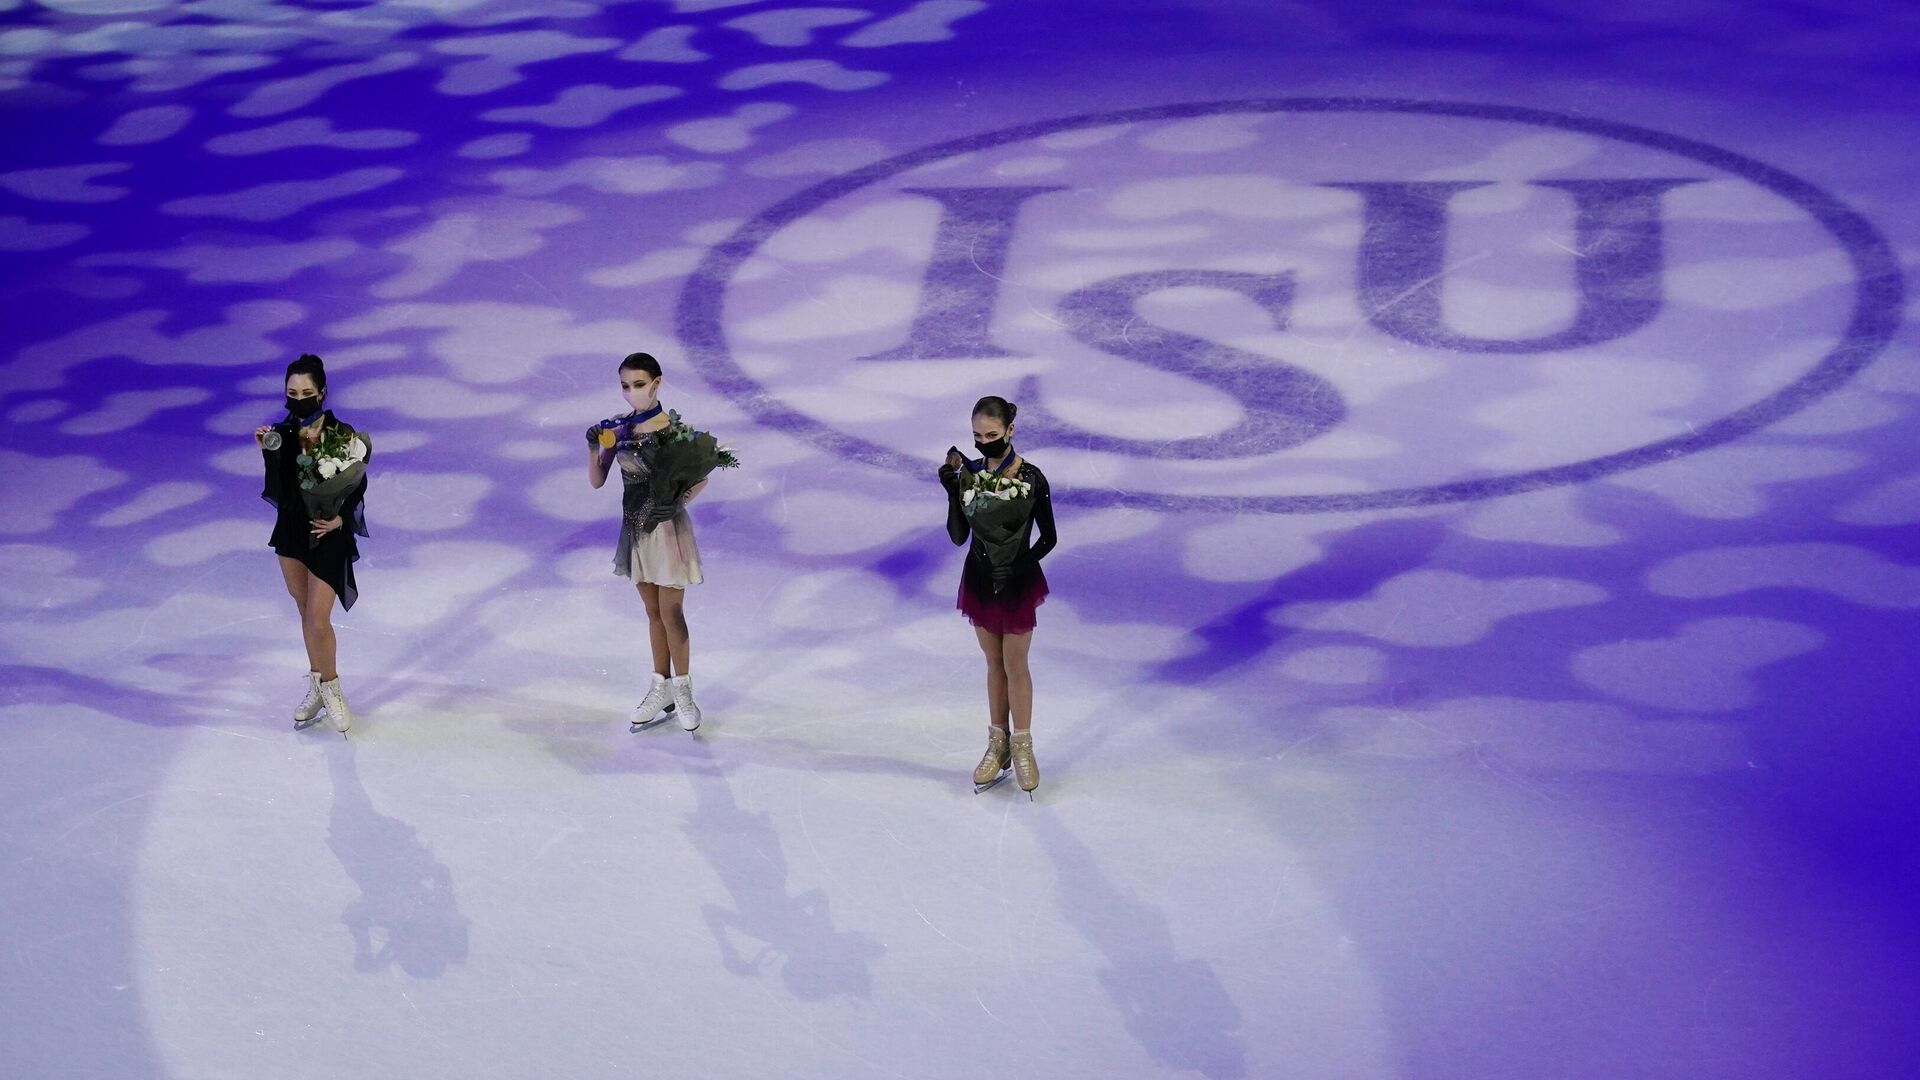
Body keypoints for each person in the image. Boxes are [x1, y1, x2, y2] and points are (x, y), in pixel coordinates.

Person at [938, 395, 1057, 796]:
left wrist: (1022, 564)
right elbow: (958, 537)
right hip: (979, 577)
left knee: (1015, 662)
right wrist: (951, 491)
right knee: (993, 662)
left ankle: (1022, 745)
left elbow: (1050, 537)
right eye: (977, 435)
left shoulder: (1033, 478)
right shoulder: (969, 476)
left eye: (991, 433)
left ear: (1010, 430)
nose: (984, 441)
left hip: (1018, 579)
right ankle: (998, 744)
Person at [587, 352, 710, 733]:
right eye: (625, 386)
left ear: (656, 384)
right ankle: (662, 688)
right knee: (653, 614)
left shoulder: (672, 429)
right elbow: (597, 480)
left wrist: (676, 500)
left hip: (668, 530)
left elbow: (700, 475)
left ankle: (685, 692)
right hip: (636, 530)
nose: (631, 393)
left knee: (672, 613)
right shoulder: (620, 428)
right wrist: (595, 447)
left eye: (638, 385)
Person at [255, 353, 368, 734]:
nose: (298, 398)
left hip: (327, 532)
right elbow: (278, 491)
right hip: (291, 532)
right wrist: (269, 454)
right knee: (305, 611)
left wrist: (340, 518)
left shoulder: (343, 435)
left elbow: (357, 483)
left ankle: (333, 688)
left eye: (306, 392)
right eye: (291, 392)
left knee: (319, 619)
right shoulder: (283, 434)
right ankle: (317, 685)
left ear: (321, 392)